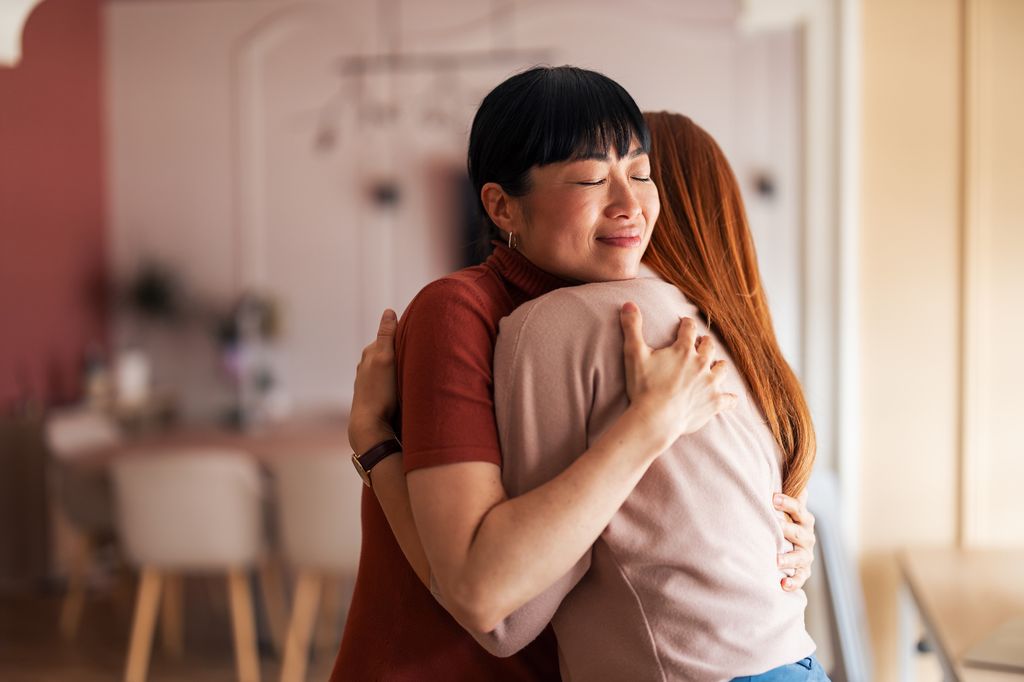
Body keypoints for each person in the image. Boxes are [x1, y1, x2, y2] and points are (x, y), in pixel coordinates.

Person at [332, 66, 817, 681]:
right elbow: (487, 600)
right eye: (591, 177)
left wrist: (766, 540)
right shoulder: (465, 310)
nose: (631, 205)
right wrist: (374, 445)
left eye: (641, 174)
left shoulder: (616, 322)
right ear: (501, 204)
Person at [470, 111, 827, 680]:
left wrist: (378, 453)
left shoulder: (563, 323)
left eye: (637, 172)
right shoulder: (731, 338)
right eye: (592, 175)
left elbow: (504, 615)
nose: (624, 195)